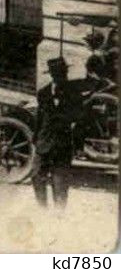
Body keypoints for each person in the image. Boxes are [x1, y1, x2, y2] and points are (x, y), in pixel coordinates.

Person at [32, 57, 82, 207]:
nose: (62, 76)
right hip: (44, 141)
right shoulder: (43, 93)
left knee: (60, 180)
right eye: (58, 74)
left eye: (63, 73)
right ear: (53, 75)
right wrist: (36, 139)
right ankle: (42, 208)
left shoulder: (74, 93)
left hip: (62, 143)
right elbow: (39, 117)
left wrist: (76, 144)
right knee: (37, 176)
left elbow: (79, 119)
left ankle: (59, 214)